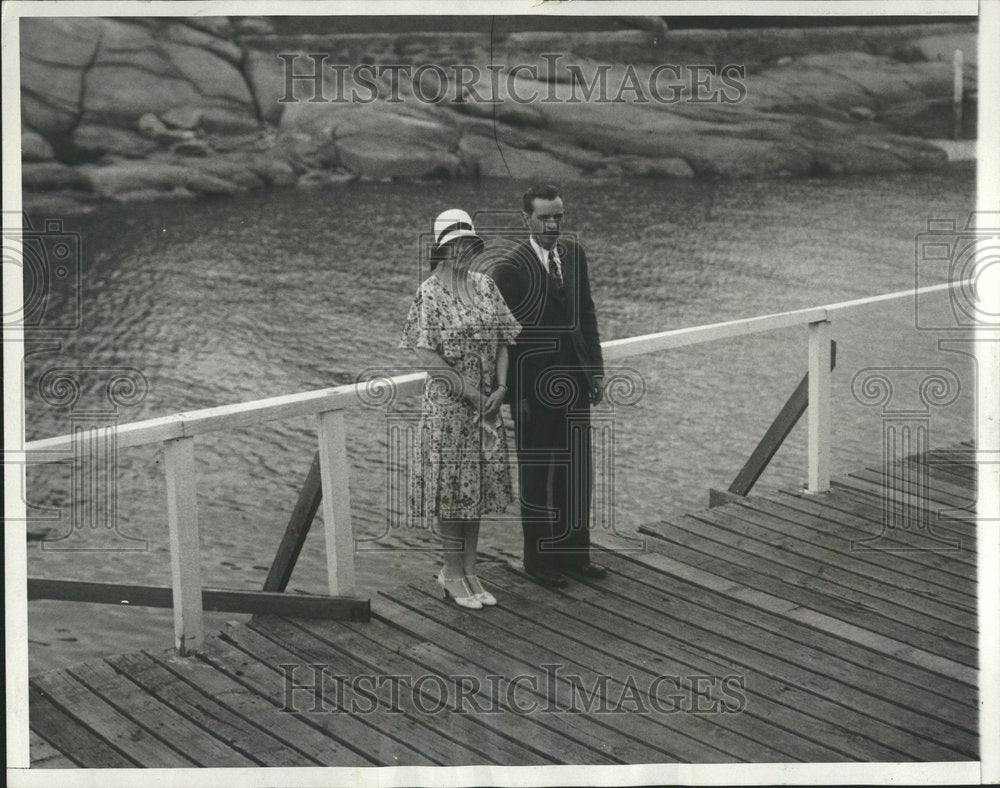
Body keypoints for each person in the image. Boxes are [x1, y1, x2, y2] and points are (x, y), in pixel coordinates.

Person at [399, 209, 522, 609]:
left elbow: (505, 338)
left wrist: (501, 387)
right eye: (455, 246)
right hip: (450, 410)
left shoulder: (485, 286)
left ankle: (470, 571)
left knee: (476, 490)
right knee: (452, 493)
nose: (463, 252)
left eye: (468, 244)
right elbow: (426, 355)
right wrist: (470, 391)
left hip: (487, 407)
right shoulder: (429, 292)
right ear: (442, 249)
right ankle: (451, 573)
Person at [490, 184, 607, 588]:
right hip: (531, 394)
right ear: (527, 220)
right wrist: (510, 392)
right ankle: (539, 564)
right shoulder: (509, 268)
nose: (553, 224)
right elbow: (497, 338)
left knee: (577, 473)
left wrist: (595, 371)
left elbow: (586, 314)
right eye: (545, 217)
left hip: (575, 382)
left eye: (558, 216)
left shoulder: (574, 255)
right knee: (538, 477)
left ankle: (576, 556)